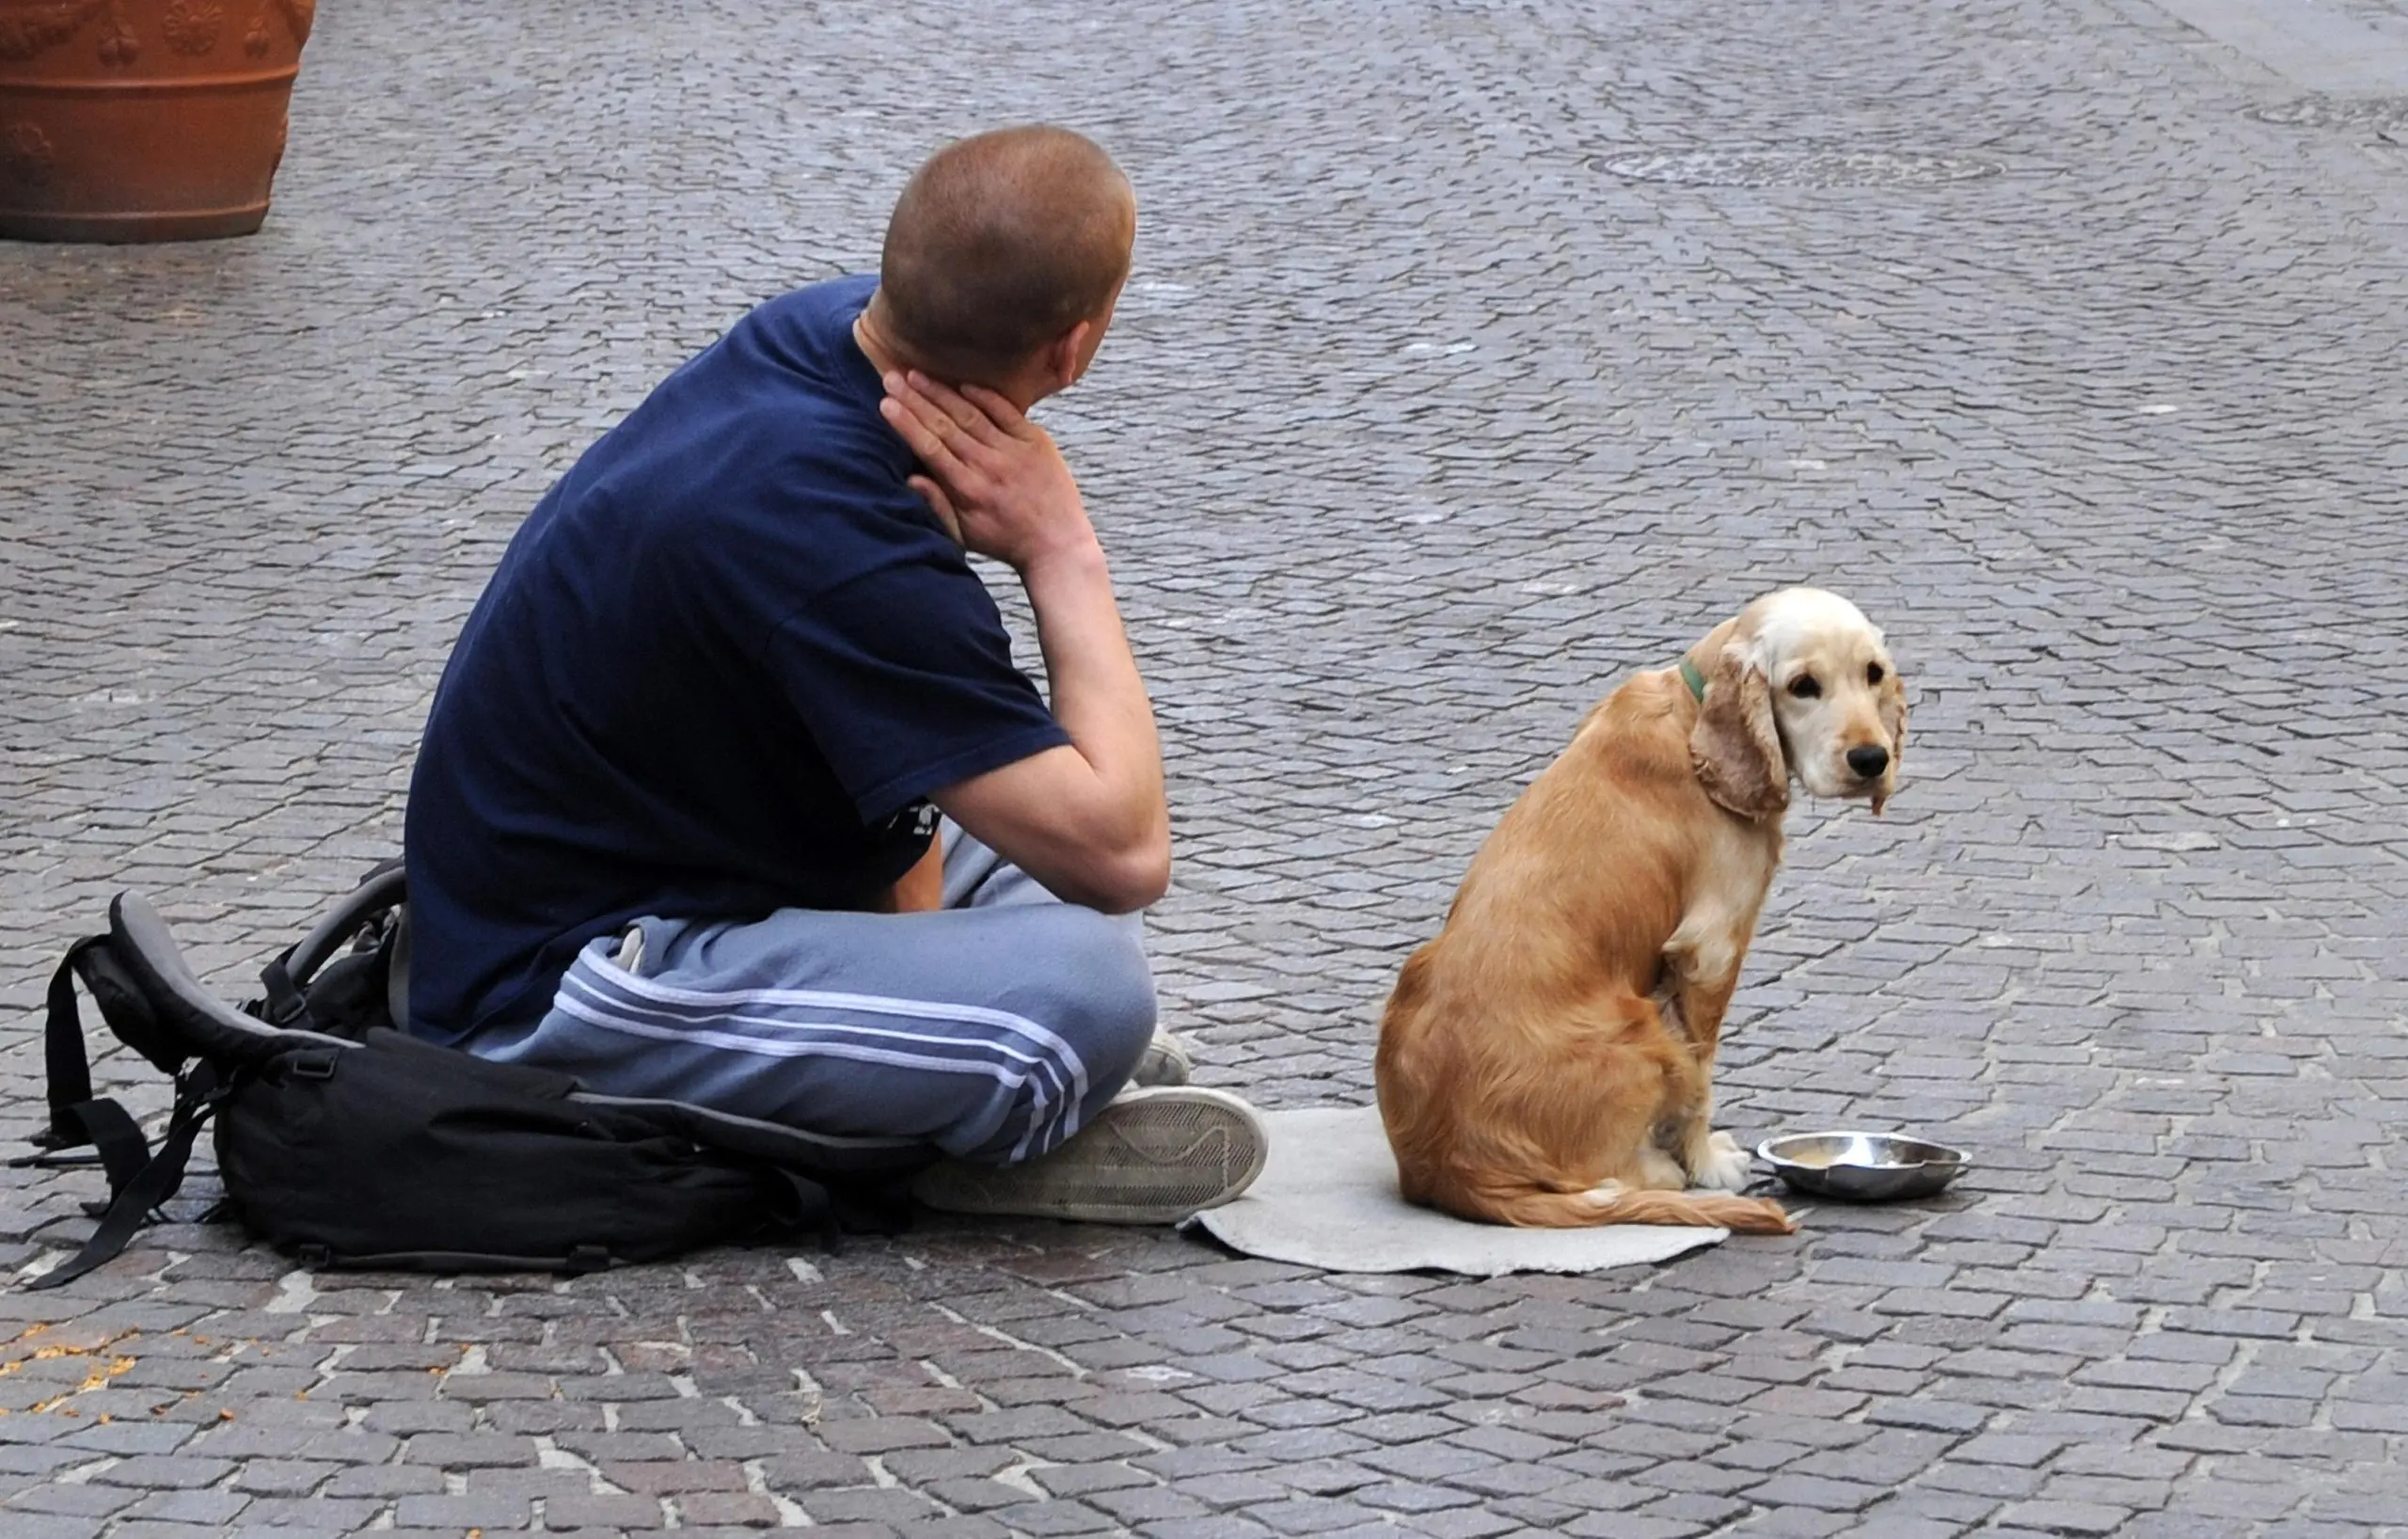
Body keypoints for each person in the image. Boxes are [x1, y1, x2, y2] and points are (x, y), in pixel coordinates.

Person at [402, 125, 1266, 1224]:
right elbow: (1130, 853)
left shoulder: (828, 342)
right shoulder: (833, 526)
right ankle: (937, 1140)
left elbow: (895, 761)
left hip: (712, 865)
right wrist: (1063, 552)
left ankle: (933, 1068)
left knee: (1043, 867)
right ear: (1074, 348)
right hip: (558, 986)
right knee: (1086, 993)